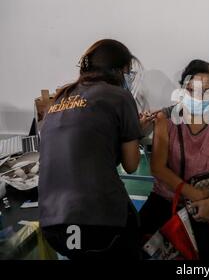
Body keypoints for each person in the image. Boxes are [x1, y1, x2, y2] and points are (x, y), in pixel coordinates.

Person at [39, 39, 153, 259]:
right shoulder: (120, 96)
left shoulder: (60, 97)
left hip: (53, 227)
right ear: (116, 70)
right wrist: (136, 132)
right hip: (99, 224)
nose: (128, 79)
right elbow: (131, 166)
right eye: (127, 73)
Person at [139, 60, 209, 260]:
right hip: (168, 196)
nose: (198, 97)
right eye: (193, 90)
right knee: (138, 240)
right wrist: (193, 192)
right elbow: (158, 168)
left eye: (206, 91)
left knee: (207, 249)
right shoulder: (165, 119)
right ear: (184, 88)